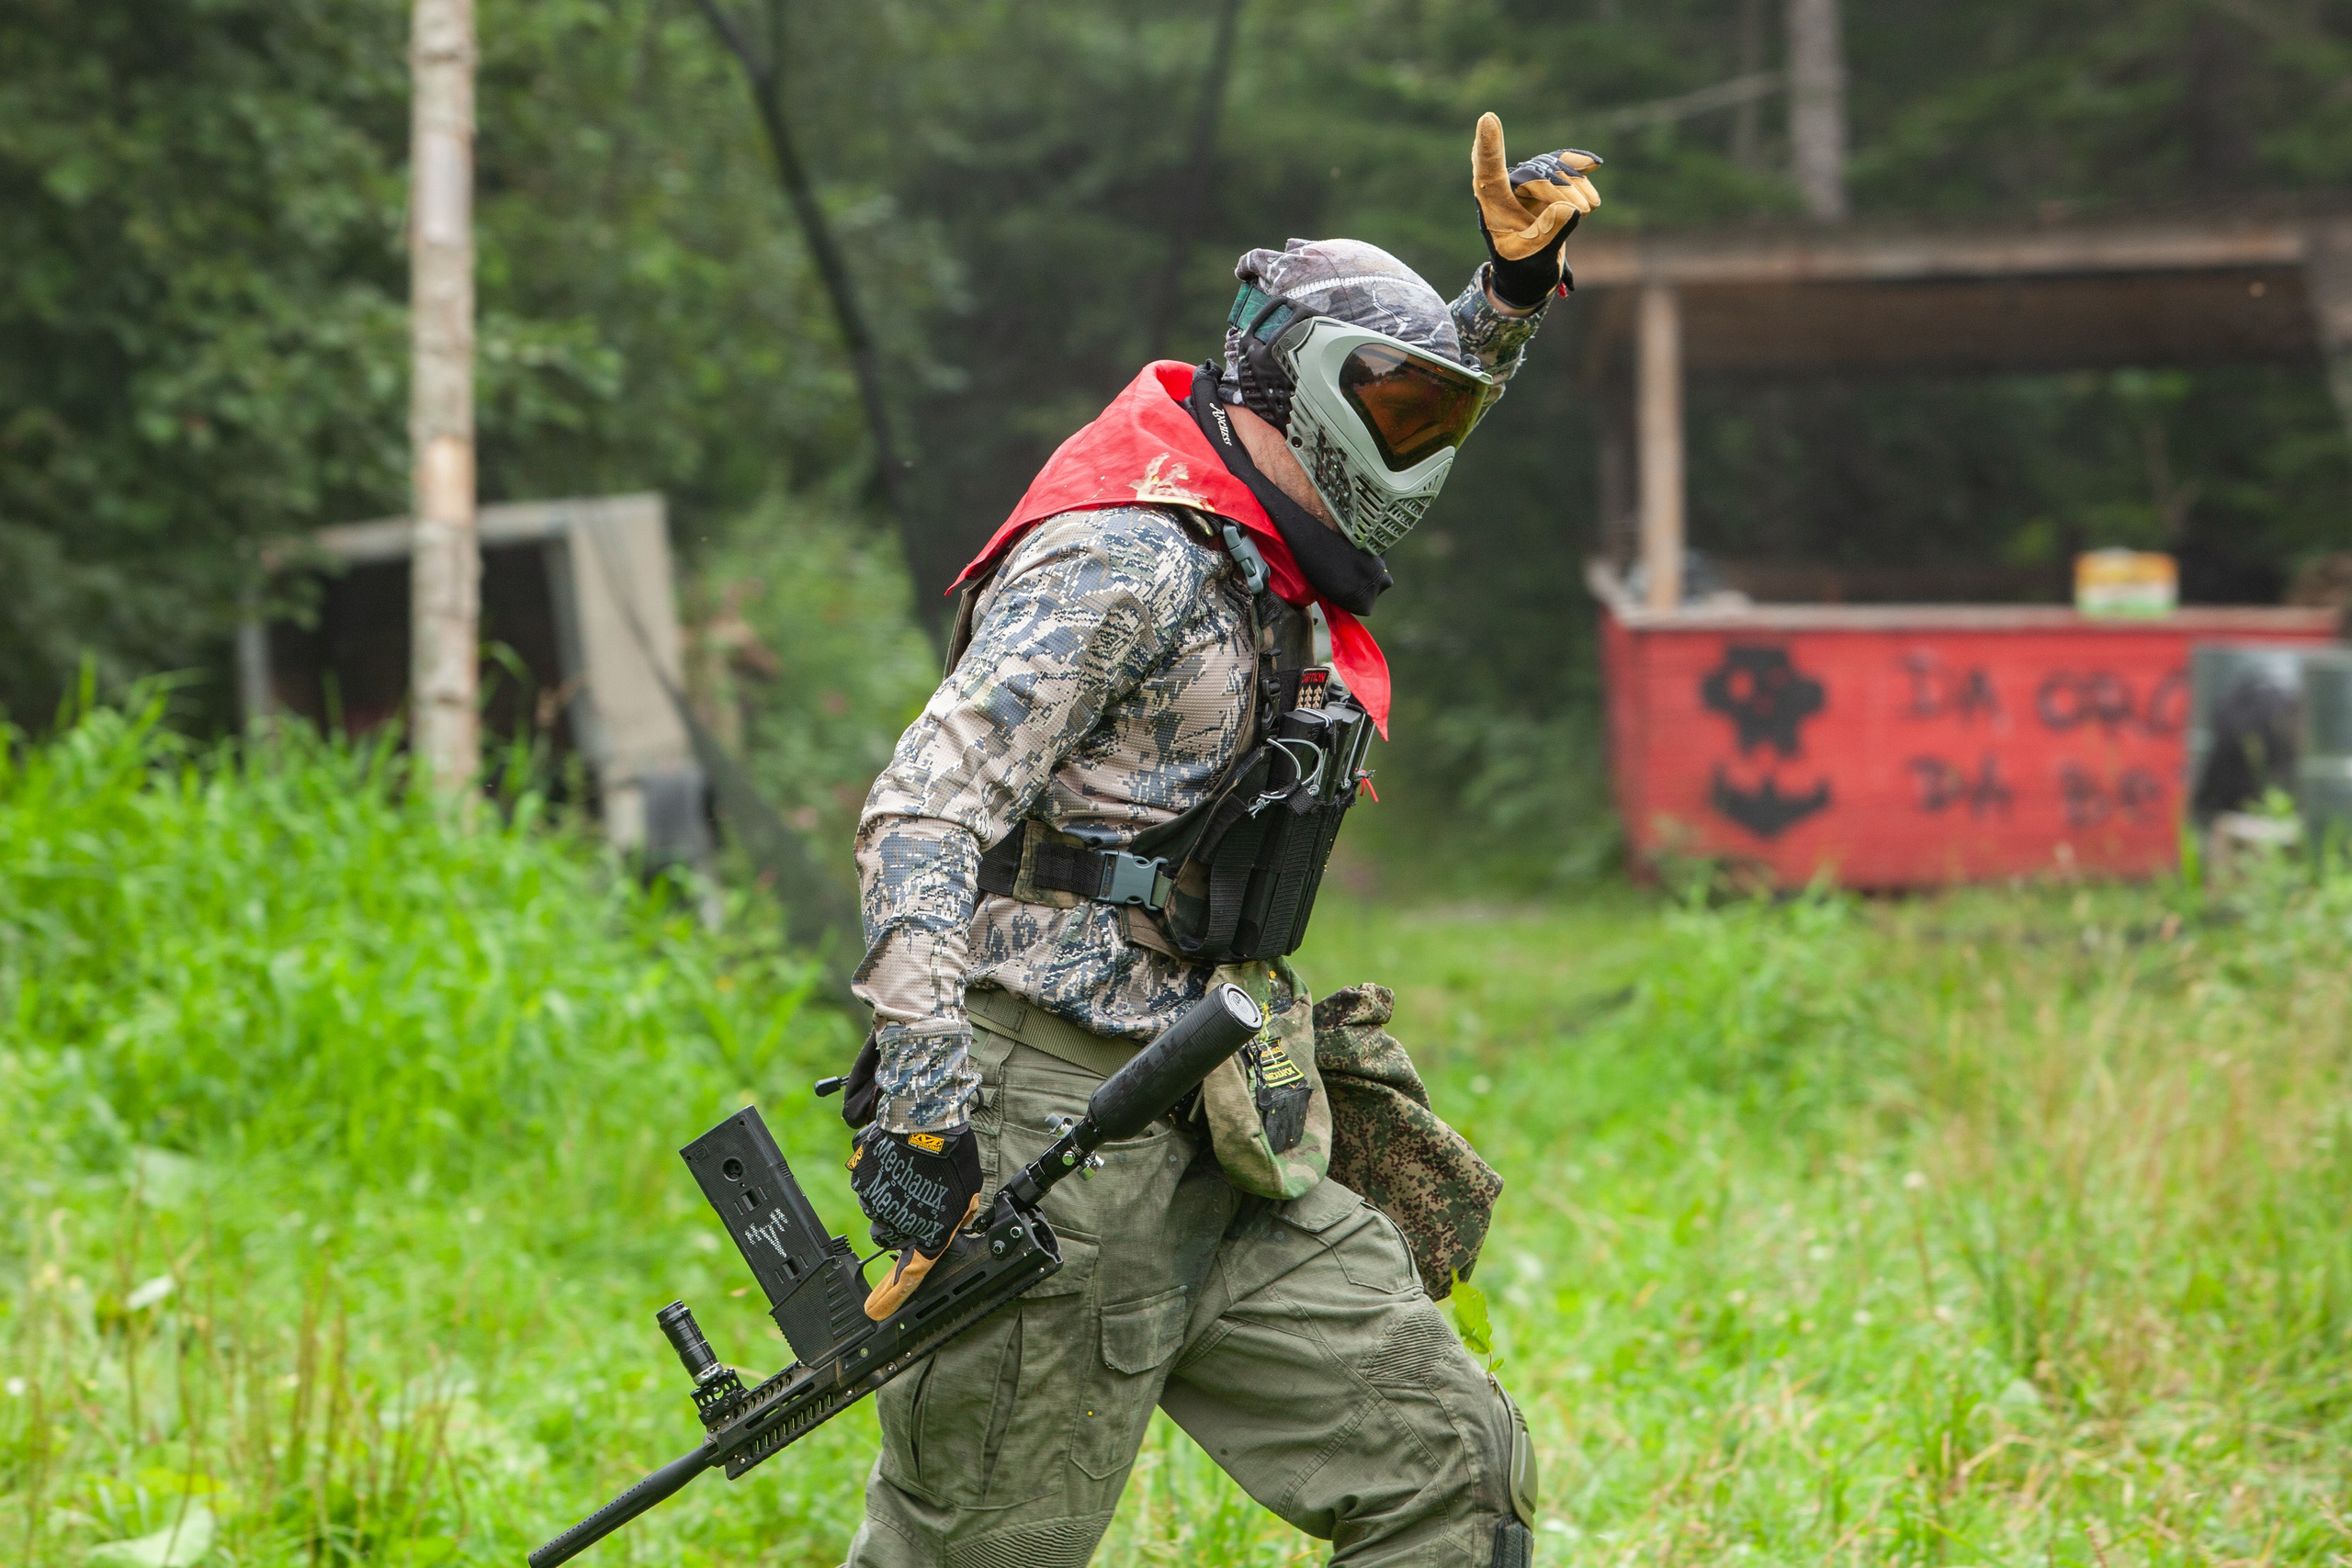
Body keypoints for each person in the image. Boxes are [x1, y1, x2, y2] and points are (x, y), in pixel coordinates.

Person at [837, 114, 1600, 1568]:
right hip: (1047, 1119)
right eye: (1392, 410)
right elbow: (923, 808)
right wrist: (928, 1112)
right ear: (1293, 397)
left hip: (1224, 1109)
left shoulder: (1268, 538)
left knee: (1452, 1471)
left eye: (1428, 414)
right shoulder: (1122, 556)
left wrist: (1498, 311)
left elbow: (1407, 396)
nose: (1417, 443)